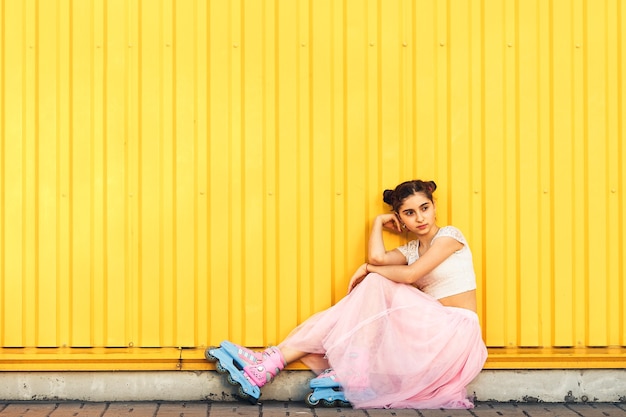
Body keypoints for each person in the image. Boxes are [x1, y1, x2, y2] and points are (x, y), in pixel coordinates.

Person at [206, 179, 488, 409]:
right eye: (409, 213)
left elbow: (410, 275)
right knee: (368, 289)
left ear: (434, 206)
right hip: (432, 331)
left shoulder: (450, 236)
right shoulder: (411, 250)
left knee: (375, 283)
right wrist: (377, 223)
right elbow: (378, 258)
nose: (420, 218)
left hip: (455, 334)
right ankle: (270, 363)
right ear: (400, 218)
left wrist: (369, 269)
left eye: (424, 208)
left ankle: (285, 364)